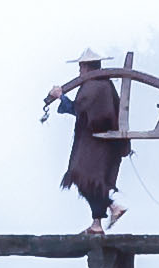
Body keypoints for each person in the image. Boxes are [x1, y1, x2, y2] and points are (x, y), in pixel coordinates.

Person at [42, 47, 127, 231]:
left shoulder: (95, 85)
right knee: (91, 181)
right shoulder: (102, 84)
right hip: (96, 141)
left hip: (97, 143)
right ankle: (97, 223)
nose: (79, 71)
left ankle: (113, 208)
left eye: (81, 67)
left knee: (84, 177)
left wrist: (60, 97)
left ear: (87, 67)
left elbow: (79, 109)